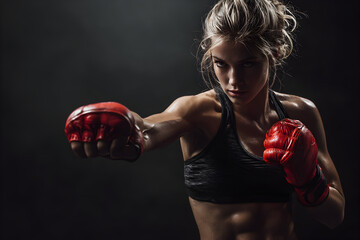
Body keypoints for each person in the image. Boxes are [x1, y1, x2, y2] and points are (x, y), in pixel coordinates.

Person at [64, 0, 345, 239]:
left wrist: (308, 179)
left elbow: (334, 216)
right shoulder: (198, 111)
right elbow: (149, 130)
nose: (233, 80)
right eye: (221, 63)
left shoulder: (300, 113)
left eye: (248, 63)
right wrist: (125, 127)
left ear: (275, 53)